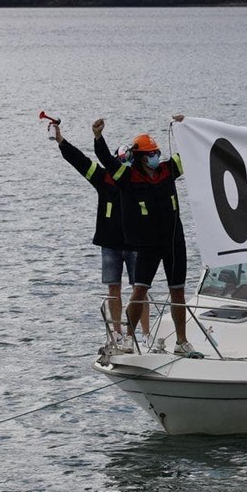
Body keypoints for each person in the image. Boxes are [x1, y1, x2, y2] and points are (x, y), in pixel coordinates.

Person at [93, 116, 199, 358]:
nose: (156, 156)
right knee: (139, 291)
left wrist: (185, 127)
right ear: (140, 157)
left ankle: (182, 342)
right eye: (151, 153)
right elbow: (108, 162)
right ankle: (128, 339)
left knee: (178, 291)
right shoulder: (129, 179)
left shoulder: (166, 171)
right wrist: (99, 138)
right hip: (147, 245)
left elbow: (190, 152)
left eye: (158, 151)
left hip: (174, 242)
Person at [53, 122, 147, 351]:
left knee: (141, 289)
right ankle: (116, 333)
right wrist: (61, 141)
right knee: (113, 289)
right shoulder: (103, 177)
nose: (123, 170)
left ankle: (144, 334)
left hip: (137, 244)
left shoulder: (139, 180)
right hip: (110, 244)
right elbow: (79, 161)